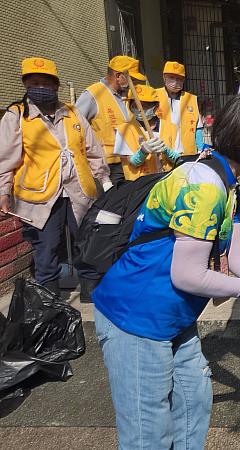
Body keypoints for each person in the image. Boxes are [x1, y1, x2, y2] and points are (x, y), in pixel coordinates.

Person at [92, 94, 240, 449]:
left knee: (193, 403)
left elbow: (236, 252)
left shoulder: (225, 182)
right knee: (149, 434)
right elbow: (187, 276)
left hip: (173, 318)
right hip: (136, 319)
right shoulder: (204, 187)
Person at [0, 57, 111, 301]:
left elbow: (93, 150)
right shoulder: (17, 115)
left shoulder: (72, 114)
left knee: (87, 241)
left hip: (78, 191)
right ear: (26, 85)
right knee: (46, 247)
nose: (40, 87)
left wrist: (104, 181)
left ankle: (91, 294)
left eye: (45, 83)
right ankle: (50, 303)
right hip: (38, 196)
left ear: (56, 86)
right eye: (34, 82)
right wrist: (4, 192)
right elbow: (6, 159)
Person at [76, 55, 146, 185]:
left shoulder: (126, 96)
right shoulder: (93, 94)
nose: (134, 84)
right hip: (108, 166)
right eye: (132, 79)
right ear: (119, 76)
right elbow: (75, 127)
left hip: (131, 162)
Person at [113, 84, 182, 181]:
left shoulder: (172, 128)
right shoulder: (124, 130)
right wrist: (143, 152)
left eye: (144, 106)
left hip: (168, 183)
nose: (139, 110)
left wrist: (167, 151)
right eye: (135, 106)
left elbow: (179, 160)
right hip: (140, 187)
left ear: (156, 106)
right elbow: (132, 162)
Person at [155, 61, 204, 157]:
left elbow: (198, 127)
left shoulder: (192, 99)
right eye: (171, 78)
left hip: (188, 153)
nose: (175, 82)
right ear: (164, 77)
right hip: (163, 153)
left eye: (179, 79)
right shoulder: (154, 96)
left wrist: (200, 148)